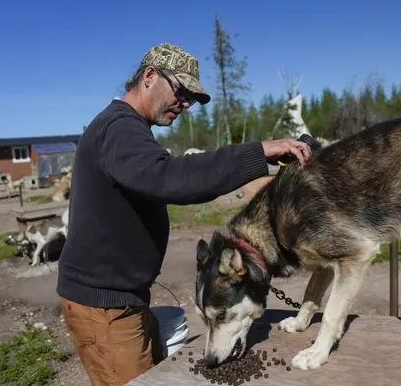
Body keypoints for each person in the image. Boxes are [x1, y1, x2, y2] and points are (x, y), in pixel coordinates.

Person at [56, 42, 312, 386]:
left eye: (193, 98)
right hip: (105, 308)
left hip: (119, 300)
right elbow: (173, 178)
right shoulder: (119, 129)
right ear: (149, 76)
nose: (186, 104)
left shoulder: (126, 130)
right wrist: (259, 152)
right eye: (181, 91)